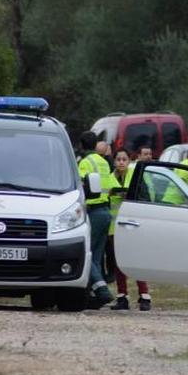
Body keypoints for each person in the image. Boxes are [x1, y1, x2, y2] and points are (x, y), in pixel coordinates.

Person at [111, 146, 154, 311]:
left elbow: (145, 198)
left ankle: (144, 296)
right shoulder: (109, 178)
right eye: (118, 159)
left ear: (129, 161)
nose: (121, 162)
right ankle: (122, 296)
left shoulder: (136, 177)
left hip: (133, 225)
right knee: (117, 263)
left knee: (135, 260)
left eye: (124, 159)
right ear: (114, 161)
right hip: (113, 228)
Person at [77, 131, 115, 308]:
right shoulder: (104, 162)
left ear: (82, 145)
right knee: (97, 256)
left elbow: (80, 185)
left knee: (87, 254)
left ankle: (102, 291)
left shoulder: (85, 162)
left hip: (93, 211)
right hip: (106, 211)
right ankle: (95, 295)